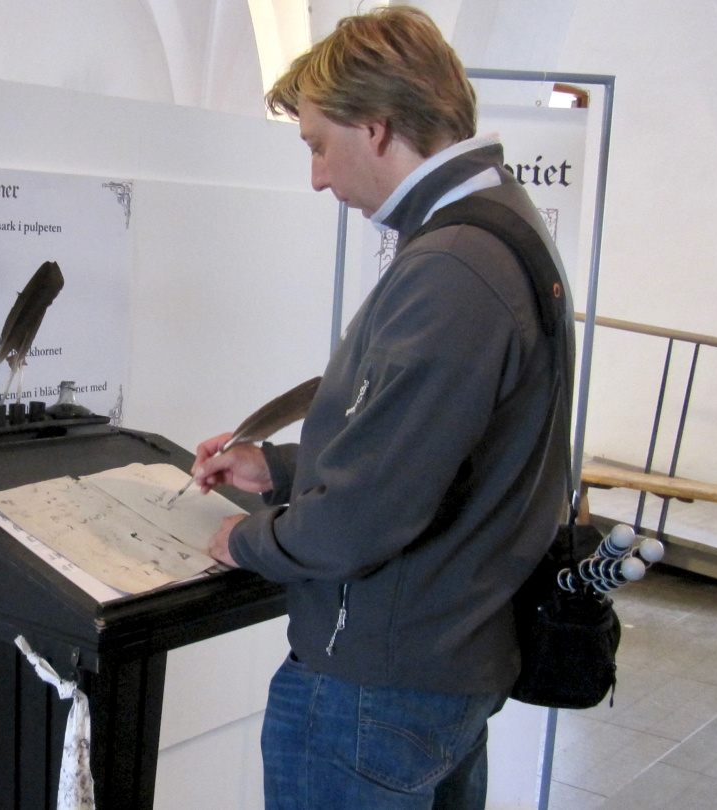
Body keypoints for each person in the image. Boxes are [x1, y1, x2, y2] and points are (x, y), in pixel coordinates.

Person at [192, 7, 573, 809]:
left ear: (375, 127)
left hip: (379, 682)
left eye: (318, 145)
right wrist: (282, 471)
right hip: (439, 662)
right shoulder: (494, 225)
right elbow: (437, 448)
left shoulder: (454, 267)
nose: (318, 177)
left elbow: (365, 517)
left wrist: (242, 540)